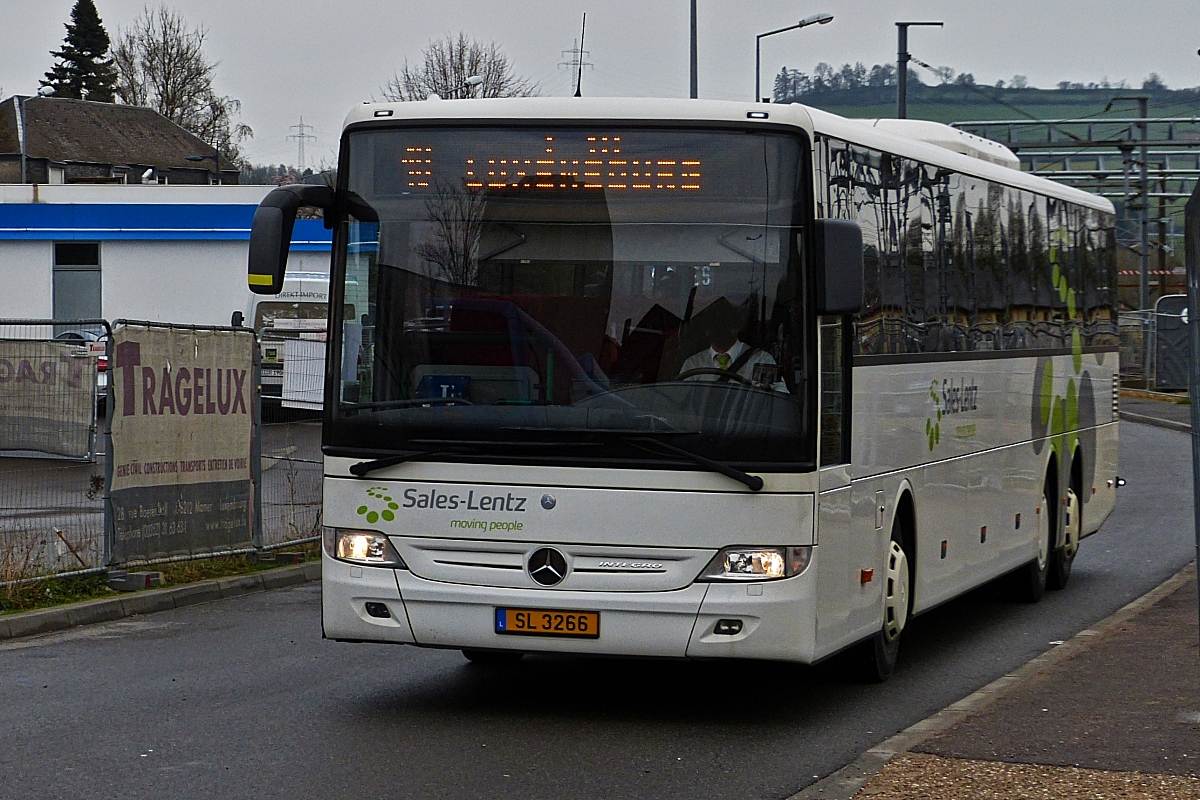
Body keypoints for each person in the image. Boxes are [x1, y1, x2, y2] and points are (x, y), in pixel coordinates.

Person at [679, 299, 787, 392]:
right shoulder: (693, 364)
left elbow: (779, 394)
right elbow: (678, 399)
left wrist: (763, 390)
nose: (718, 329)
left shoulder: (761, 360)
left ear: (735, 327)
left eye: (723, 324)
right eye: (712, 325)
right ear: (706, 330)